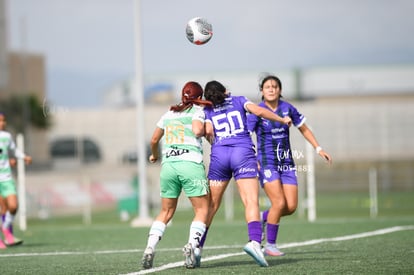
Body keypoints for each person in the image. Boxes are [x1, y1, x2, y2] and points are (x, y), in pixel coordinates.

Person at [199, 80, 292, 267]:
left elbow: (207, 131)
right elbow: (258, 111)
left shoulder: (207, 110)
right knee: (250, 201)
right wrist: (281, 119)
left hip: (219, 156)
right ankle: (255, 242)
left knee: (211, 205)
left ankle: (196, 247)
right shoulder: (239, 100)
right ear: (225, 91)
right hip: (242, 153)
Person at [247, 74, 332, 256]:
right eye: (268, 87)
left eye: (275, 86)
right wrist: (253, 159)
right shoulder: (257, 111)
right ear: (262, 91)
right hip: (267, 162)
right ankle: (270, 245)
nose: (271, 89)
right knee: (278, 202)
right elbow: (246, 136)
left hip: (286, 161)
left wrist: (319, 149)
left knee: (291, 206)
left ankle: (263, 217)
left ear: (280, 90)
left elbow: (304, 128)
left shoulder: (287, 108)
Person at [141, 81, 213, 269]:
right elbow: (198, 130)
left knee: (165, 212)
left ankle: (149, 248)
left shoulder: (169, 113)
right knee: (202, 210)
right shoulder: (198, 111)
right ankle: (191, 245)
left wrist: (154, 156)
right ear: (199, 97)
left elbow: (154, 139)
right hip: (190, 164)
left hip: (168, 166)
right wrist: (206, 134)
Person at [0, 112, 32, 249]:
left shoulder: (6, 137)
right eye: (0, 121)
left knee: (13, 206)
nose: (2, 123)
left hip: (6, 178)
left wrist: (23, 157)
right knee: (2, 209)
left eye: (4, 120)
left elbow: (14, 150)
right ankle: (3, 240)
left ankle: (6, 227)